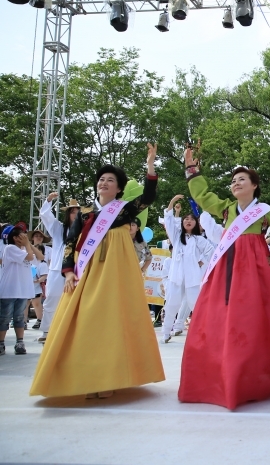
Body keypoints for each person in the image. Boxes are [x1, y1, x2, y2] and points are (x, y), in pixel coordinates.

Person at [30, 144, 165, 398]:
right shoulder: (84, 213)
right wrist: (69, 272)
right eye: (101, 179)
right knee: (86, 322)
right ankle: (85, 378)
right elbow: (70, 242)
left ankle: (108, 379)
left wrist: (150, 166)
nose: (104, 183)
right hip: (87, 272)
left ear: (119, 188)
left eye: (110, 180)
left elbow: (148, 197)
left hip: (115, 274)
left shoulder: (123, 210)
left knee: (112, 322)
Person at [180, 147, 270, 410]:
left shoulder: (265, 212)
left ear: (254, 185)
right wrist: (192, 171)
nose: (236, 183)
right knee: (224, 316)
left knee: (257, 317)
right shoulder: (226, 209)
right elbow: (203, 197)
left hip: (255, 270)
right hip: (227, 268)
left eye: (242, 179)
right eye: (233, 180)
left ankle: (261, 373)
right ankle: (224, 373)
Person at [161, 194, 215, 343]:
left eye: (191, 219)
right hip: (176, 277)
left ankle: (202, 333)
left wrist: (202, 262)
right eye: (186, 219)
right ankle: (166, 332)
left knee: (196, 305)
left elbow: (211, 252)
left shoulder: (199, 239)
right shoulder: (177, 237)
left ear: (196, 223)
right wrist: (173, 202)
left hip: (193, 278)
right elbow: (169, 221)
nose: (188, 221)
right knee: (171, 304)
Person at [37, 195, 81, 343]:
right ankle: (47, 330)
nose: (75, 215)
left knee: (75, 301)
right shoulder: (58, 228)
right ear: (68, 214)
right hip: (57, 269)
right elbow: (45, 215)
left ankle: (71, 332)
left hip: (76, 271)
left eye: (77, 212)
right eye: (73, 212)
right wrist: (49, 200)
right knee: (52, 298)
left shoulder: (85, 231)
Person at [0, 227, 43, 355]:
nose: (24, 236)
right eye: (21, 235)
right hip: (10, 290)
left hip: (22, 291)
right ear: (15, 238)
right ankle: (1, 343)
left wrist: (28, 244)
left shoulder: (25, 249)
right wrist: (27, 246)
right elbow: (30, 257)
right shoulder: (10, 249)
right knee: (4, 318)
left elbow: (40, 256)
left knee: (19, 318)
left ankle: (20, 342)